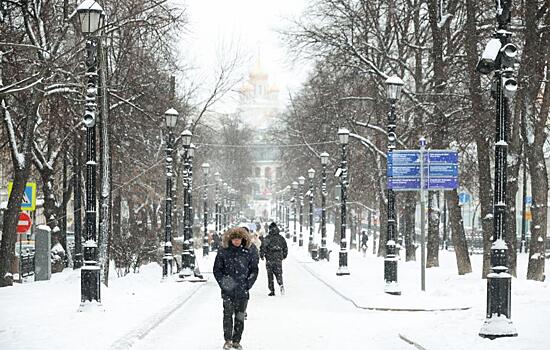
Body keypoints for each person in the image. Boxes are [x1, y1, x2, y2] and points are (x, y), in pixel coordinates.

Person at [213, 227, 259, 350]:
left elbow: (254, 270)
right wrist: (225, 284)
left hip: (242, 291)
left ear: (242, 239)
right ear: (230, 239)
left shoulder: (247, 252)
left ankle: (236, 340)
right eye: (234, 239)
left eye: (239, 239)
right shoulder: (224, 252)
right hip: (228, 291)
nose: (237, 241)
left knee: (240, 317)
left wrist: (248, 284)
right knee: (227, 315)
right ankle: (228, 340)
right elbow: (217, 270)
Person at [259, 222, 288, 296]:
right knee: (279, 273)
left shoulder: (268, 238)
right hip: (278, 258)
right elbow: (285, 247)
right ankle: (280, 284)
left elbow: (263, 247)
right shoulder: (281, 238)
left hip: (269, 258)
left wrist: (262, 255)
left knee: (270, 275)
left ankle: (272, 290)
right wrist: (284, 255)